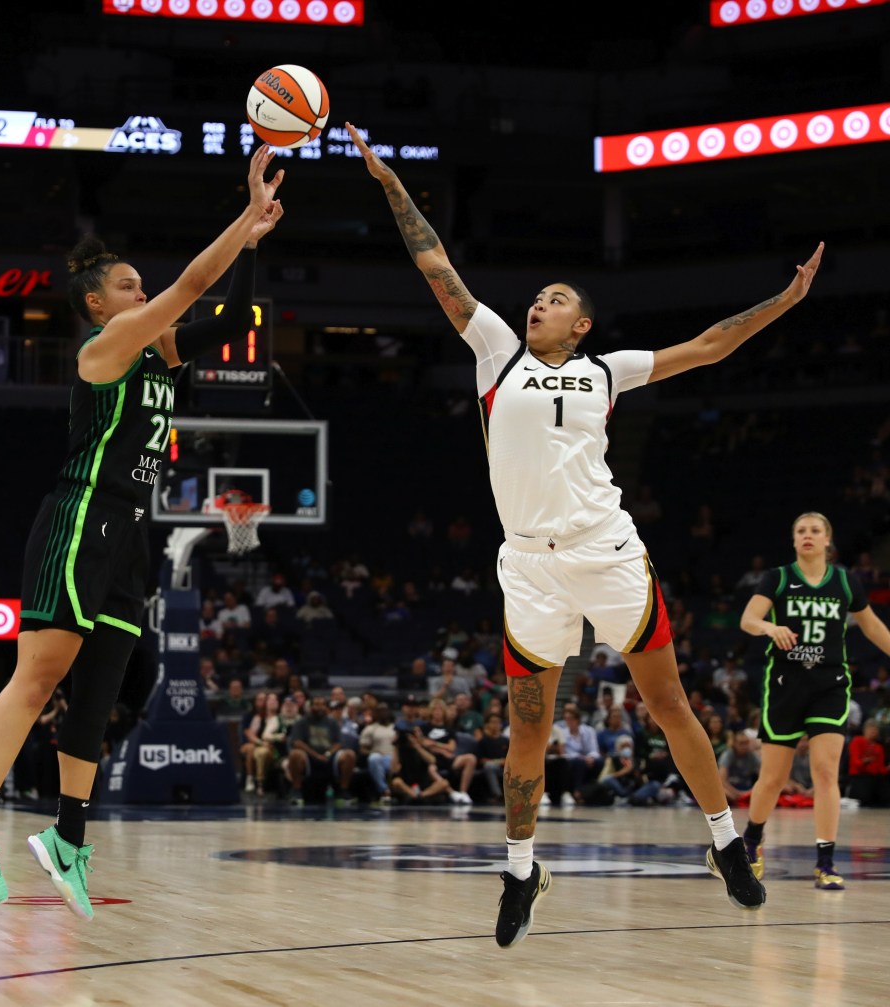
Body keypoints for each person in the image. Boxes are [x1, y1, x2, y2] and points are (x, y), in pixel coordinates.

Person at [345, 122, 825, 945]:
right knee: (526, 727)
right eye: (538, 296)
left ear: (582, 326)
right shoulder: (496, 351)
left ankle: (725, 844)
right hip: (529, 566)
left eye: (557, 299)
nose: (539, 302)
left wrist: (783, 302)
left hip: (609, 553)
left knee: (668, 700)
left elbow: (710, 346)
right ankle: (521, 870)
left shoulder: (609, 370)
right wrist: (390, 181)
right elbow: (436, 266)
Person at [0, 145, 285, 918]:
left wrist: (254, 245)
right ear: (99, 305)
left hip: (130, 534)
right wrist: (245, 211)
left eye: (143, 284)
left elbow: (228, 314)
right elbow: (197, 285)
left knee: (96, 697)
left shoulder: (158, 351)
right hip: (80, 518)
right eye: (130, 285)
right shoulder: (107, 350)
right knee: (42, 675)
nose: (147, 291)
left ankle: (67, 836)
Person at [739, 511, 890, 891]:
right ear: (794, 541)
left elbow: (871, 626)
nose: (808, 536)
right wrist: (769, 626)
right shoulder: (777, 578)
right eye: (801, 531)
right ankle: (752, 841)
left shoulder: (844, 580)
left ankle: (825, 862)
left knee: (826, 772)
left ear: (828, 540)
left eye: (815, 530)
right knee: (773, 778)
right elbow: (748, 620)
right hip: (786, 684)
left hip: (830, 684)